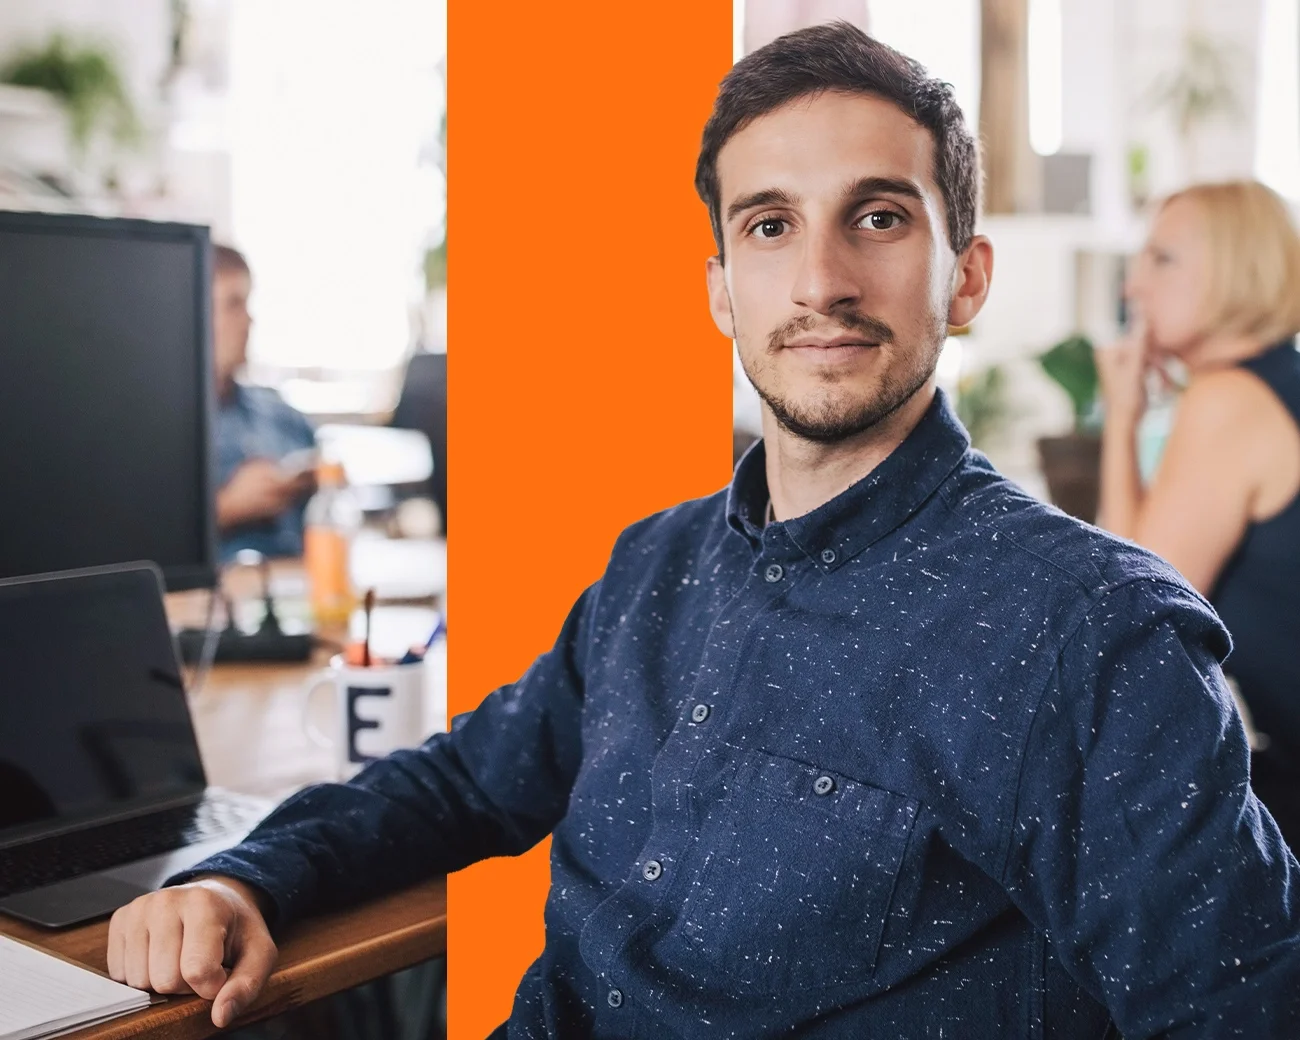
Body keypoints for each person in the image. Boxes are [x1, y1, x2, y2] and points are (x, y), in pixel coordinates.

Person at [109, 25, 1300, 1037]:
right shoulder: (656, 565)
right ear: (722, 284)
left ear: (966, 275)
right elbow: (464, 780)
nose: (820, 279)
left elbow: (1236, 1008)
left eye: (877, 217)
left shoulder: (1092, 632)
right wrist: (245, 870)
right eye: (770, 225)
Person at [1096, 180, 1300, 851]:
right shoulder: (1278, 381)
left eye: (1163, 259)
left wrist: (1122, 419)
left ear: (1237, 268)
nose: (1134, 288)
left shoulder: (1229, 399)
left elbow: (1134, 608)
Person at [211, 244, 318, 561]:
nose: (248, 321)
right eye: (233, 305)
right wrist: (226, 507)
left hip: (299, 585)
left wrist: (314, 479)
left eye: (248, 304)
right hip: (220, 595)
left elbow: (331, 479)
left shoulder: (280, 414)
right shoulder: (159, 430)